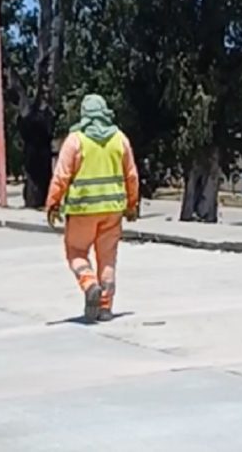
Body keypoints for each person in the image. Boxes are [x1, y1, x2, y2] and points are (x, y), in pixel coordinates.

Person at [45, 94, 140, 323]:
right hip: (112, 211)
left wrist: (53, 204)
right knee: (107, 258)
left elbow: (61, 176)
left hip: (82, 210)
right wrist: (132, 204)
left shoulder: (75, 141)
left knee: (76, 252)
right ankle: (105, 307)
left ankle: (89, 284)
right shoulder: (120, 139)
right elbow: (131, 175)